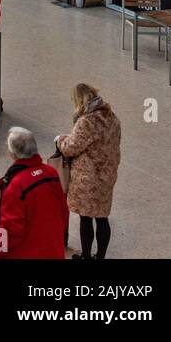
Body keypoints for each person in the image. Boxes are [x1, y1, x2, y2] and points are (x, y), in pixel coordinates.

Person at [55, 84, 122, 260]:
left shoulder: (87, 122)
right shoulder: (112, 118)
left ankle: (85, 256)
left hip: (88, 177)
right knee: (102, 217)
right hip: (107, 175)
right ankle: (100, 256)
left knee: (86, 218)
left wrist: (60, 139)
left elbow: (70, 148)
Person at [0, 127, 68, 259]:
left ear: (13, 153)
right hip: (53, 249)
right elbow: (63, 210)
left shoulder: (16, 186)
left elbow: (9, 229)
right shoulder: (51, 172)